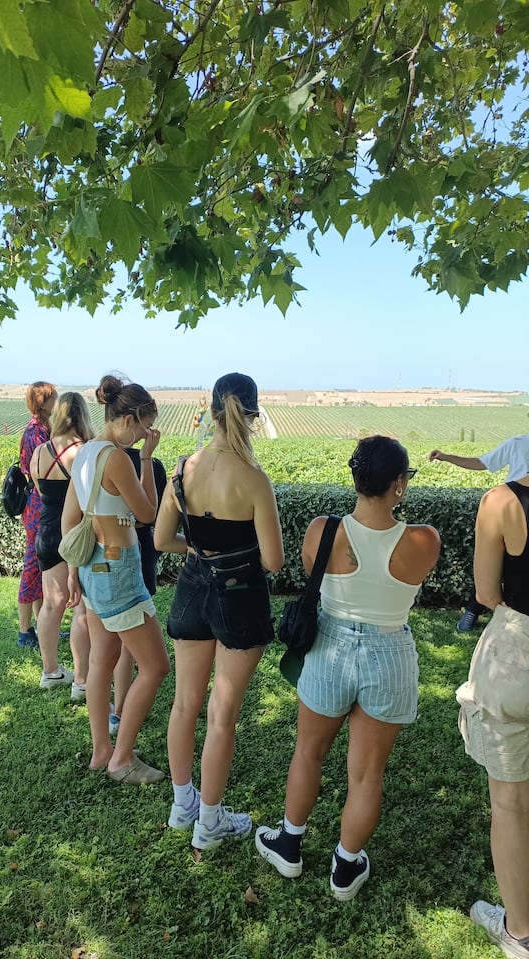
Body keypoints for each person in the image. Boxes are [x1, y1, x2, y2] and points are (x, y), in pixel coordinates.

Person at [255, 435, 440, 899]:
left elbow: (310, 573)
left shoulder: (322, 531)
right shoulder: (424, 540)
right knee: (367, 774)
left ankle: (288, 845)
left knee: (308, 753)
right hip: (390, 653)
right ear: (398, 484)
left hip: (329, 648)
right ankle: (345, 866)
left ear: (356, 478)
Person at [154, 372, 284, 849]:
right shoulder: (254, 480)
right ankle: (209, 822)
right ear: (252, 417)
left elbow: (161, 540)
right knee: (221, 714)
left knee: (184, 704)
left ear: (210, 412)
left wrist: (197, 549)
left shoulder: (181, 471)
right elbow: (273, 561)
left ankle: (182, 804)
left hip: (191, 589)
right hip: (240, 598)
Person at [62, 374, 170, 785]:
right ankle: (121, 760)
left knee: (101, 663)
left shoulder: (84, 452)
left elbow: (70, 519)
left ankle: (101, 752)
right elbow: (147, 514)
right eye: (144, 427)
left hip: (92, 567)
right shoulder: (118, 458)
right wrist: (147, 459)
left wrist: (73, 573)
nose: (145, 435)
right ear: (128, 419)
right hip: (119, 569)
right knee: (156, 666)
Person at [456, 466, 529, 958]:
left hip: (516, 655)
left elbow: (485, 594)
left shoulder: (501, 502)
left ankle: (519, 931)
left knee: (509, 803)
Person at [430, 435, 529, 632]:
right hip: (511, 513)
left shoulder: (498, 500)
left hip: (511, 511)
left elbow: (481, 463)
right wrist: (446, 457)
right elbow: (481, 462)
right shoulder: (517, 443)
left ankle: (473, 612)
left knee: (491, 569)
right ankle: (472, 611)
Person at [30, 392, 94, 698]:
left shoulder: (40, 452)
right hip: (76, 534)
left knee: (51, 605)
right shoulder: (85, 452)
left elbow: (39, 489)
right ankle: (82, 680)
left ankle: (51, 671)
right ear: (83, 416)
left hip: (45, 533)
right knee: (81, 608)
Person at [109, 445, 167, 737]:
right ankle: (120, 709)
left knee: (110, 645)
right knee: (131, 643)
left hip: (106, 552)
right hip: (138, 550)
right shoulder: (151, 465)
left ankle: (115, 709)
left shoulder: (101, 458)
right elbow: (153, 515)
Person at [17, 381, 57, 648]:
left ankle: (41, 626)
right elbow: (43, 471)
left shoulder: (41, 429)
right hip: (37, 505)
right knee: (32, 567)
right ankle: (24, 631)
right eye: (54, 398)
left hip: (38, 503)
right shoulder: (36, 433)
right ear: (44, 402)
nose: (57, 403)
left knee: (39, 567)